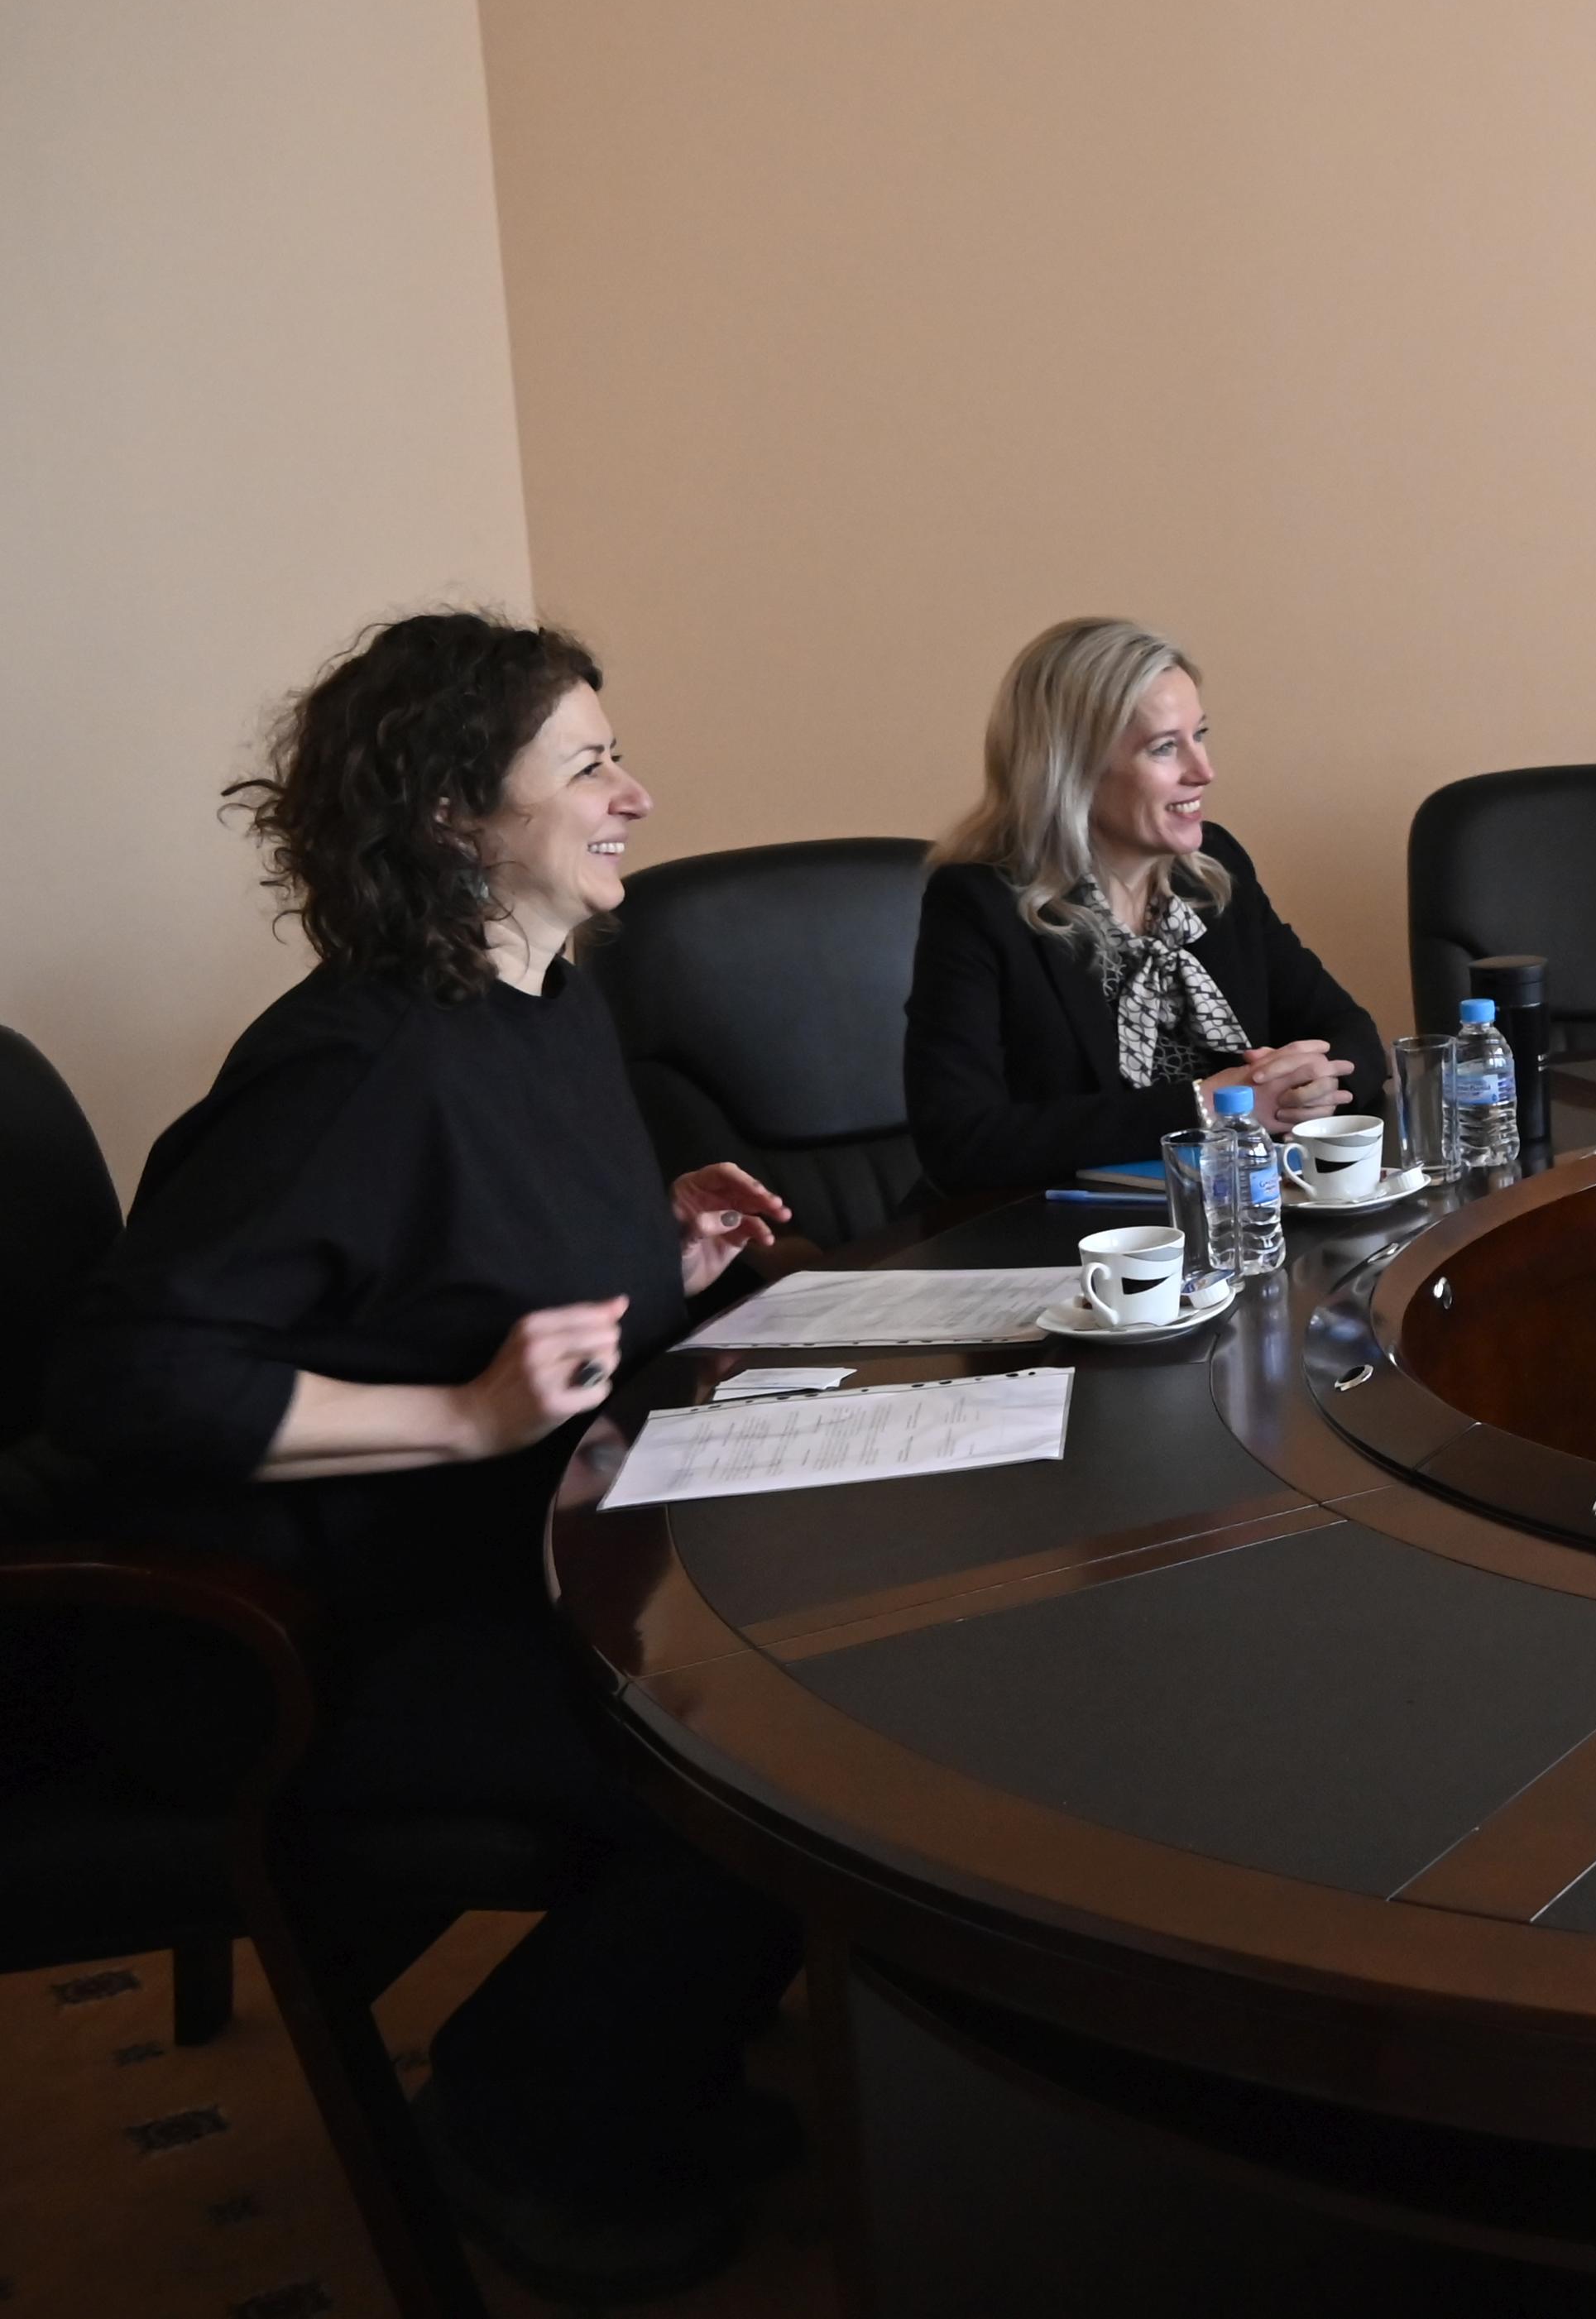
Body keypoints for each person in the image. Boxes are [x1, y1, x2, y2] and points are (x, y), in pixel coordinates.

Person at [45, 611, 808, 2300]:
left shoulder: (543, 1002)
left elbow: (469, 1263)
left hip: (495, 1562)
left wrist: (658, 1251)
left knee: (806, 1667)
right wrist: (461, 1416)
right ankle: (520, 2117)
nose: (636, 794)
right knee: (764, 1765)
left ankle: (635, 2071)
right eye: (589, 765)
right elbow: (129, 1379)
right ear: (458, 813)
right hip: (307, 1633)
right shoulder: (358, 1060)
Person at [904, 618, 1385, 1192]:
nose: (1203, 771)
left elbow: (1349, 1030)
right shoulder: (979, 904)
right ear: (1072, 769)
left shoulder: (1213, 872)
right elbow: (960, 1141)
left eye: (1199, 735)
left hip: (1238, 1211)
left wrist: (1317, 1084)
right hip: (1068, 1230)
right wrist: (1204, 1108)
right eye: (1164, 748)